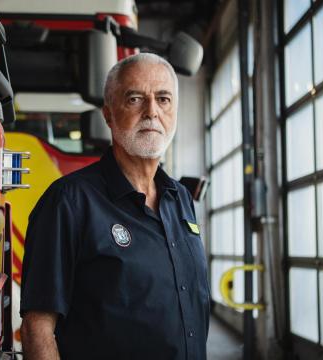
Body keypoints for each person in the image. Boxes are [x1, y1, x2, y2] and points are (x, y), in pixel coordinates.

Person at [20, 53, 210, 360]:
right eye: (135, 99)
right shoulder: (68, 202)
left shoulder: (181, 199)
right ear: (108, 114)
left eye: (163, 99)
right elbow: (37, 327)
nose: (152, 112)